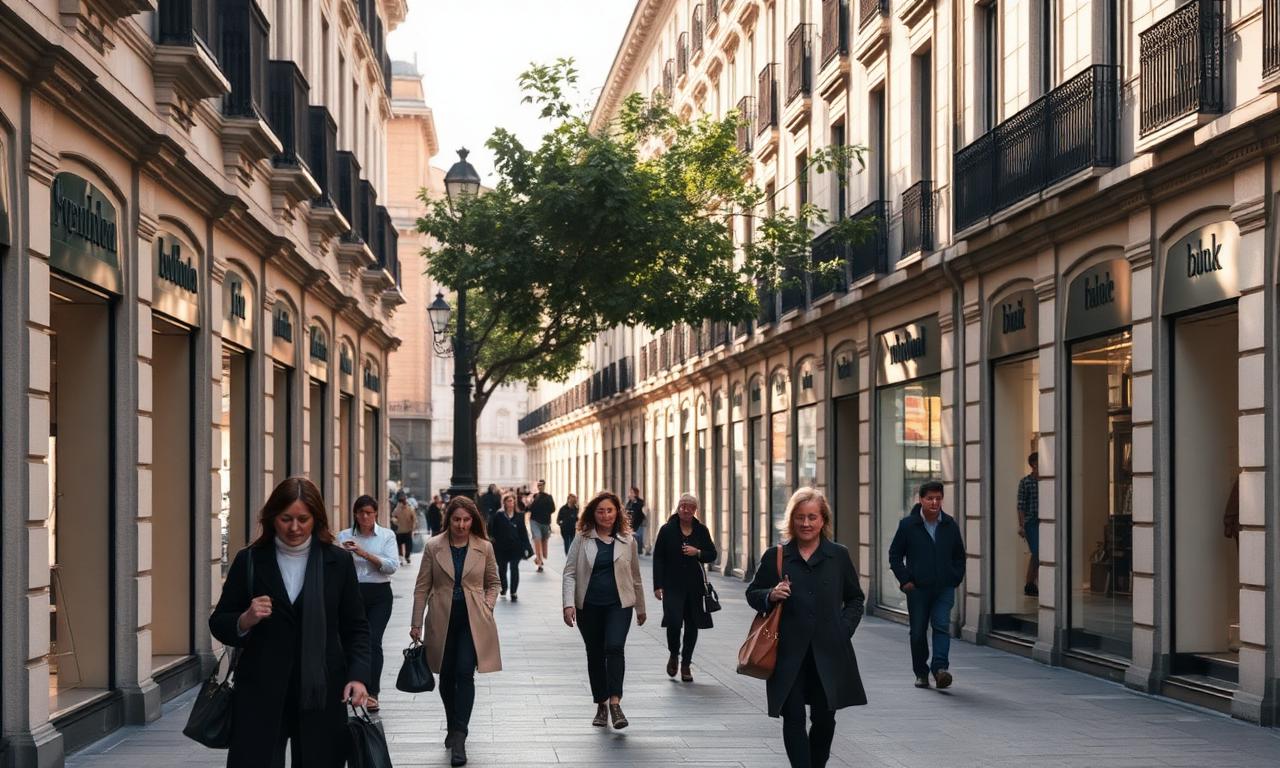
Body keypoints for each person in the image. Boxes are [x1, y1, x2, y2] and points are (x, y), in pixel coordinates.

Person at [209, 476, 371, 767]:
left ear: (316, 519)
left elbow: (355, 627)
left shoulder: (337, 562)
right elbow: (219, 622)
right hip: (261, 688)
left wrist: (358, 676)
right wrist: (245, 619)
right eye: (286, 519)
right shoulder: (250, 560)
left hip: (322, 687)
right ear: (272, 518)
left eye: (302, 519)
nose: (294, 528)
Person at [745, 487, 866, 768]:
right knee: (794, 716)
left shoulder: (838, 555)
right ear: (792, 520)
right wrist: (770, 595)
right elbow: (753, 593)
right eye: (800, 517)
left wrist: (843, 629)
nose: (806, 524)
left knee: (824, 718)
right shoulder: (776, 556)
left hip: (829, 652)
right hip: (788, 654)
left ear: (823, 520)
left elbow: (856, 598)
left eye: (812, 517)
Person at [410, 496, 502, 767]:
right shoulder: (433, 547)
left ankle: (459, 736)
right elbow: (421, 587)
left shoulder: (484, 547)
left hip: (473, 621)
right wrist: (416, 623)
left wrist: (487, 606)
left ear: (473, 520)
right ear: (448, 520)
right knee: (447, 676)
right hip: (441, 619)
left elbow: (493, 582)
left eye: (466, 520)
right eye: (457, 519)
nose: (461, 525)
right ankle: (453, 724)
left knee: (464, 672)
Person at [562, 491, 647, 730]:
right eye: (600, 511)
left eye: (610, 510)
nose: (606, 515)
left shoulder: (628, 540)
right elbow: (569, 572)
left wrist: (640, 607)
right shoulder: (582, 538)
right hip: (588, 606)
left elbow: (636, 577)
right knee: (595, 652)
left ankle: (615, 703)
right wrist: (568, 604)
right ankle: (600, 703)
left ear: (617, 512)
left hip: (619, 605)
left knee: (614, 647)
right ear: (593, 513)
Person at [887, 480, 966, 689]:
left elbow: (959, 555)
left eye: (938, 499)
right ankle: (921, 672)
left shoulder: (949, 524)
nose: (934, 502)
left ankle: (940, 669)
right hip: (918, 589)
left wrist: (955, 577)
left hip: (944, 588)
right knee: (918, 631)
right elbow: (895, 555)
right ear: (921, 500)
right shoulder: (908, 525)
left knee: (941, 626)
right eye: (930, 498)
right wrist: (906, 581)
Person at [337, 494, 399, 712]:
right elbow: (336, 567)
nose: (365, 516)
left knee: (373, 641)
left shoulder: (386, 536)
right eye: (361, 512)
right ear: (355, 514)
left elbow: (392, 566)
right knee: (350, 641)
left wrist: (363, 553)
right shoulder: (344, 536)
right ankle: (351, 687)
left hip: (379, 594)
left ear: (375, 514)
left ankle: (372, 692)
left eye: (369, 513)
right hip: (352, 594)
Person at [652, 493, 718, 682]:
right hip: (672, 585)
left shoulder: (701, 530)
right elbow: (659, 558)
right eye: (682, 506)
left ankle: (686, 664)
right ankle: (674, 654)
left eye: (690, 506)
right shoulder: (667, 530)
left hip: (695, 587)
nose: (686, 509)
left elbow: (712, 554)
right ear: (677, 508)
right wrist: (658, 585)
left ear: (695, 510)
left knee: (692, 625)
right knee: (673, 622)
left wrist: (697, 552)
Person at [488, 493, 533, 600]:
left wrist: (528, 548)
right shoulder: (498, 516)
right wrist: (492, 541)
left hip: (515, 547)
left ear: (514, 502)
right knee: (502, 569)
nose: (510, 503)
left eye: (512, 501)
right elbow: (492, 530)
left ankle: (513, 592)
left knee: (514, 568)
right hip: (501, 548)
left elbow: (523, 533)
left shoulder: (519, 516)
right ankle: (504, 588)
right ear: (504, 503)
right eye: (508, 501)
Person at [1016, 452, 1040, 596]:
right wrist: (1022, 525)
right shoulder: (1025, 482)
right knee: (1037, 552)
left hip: (1045, 522)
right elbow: (1021, 505)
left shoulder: (1046, 481)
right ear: (1034, 464)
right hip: (1031, 522)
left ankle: (1030, 584)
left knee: (1039, 554)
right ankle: (1030, 583)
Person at [528, 479, 555, 572]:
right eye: (538, 485)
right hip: (534, 521)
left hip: (545, 522)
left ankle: (539, 558)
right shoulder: (535, 496)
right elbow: (529, 508)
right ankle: (539, 563)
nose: (540, 487)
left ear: (544, 486)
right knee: (537, 539)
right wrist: (530, 502)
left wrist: (545, 512)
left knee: (543, 542)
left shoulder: (549, 497)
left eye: (541, 485)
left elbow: (553, 509)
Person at [393, 493, 416, 565]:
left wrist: (396, 523)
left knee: (400, 544)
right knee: (408, 544)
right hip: (407, 530)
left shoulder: (397, 509)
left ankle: (401, 558)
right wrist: (413, 527)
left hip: (400, 530)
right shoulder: (410, 508)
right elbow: (414, 519)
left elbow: (393, 517)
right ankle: (407, 557)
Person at [625, 486, 648, 555]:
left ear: (635, 494)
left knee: (639, 536)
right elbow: (627, 510)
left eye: (632, 492)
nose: (630, 494)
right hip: (632, 523)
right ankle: (634, 550)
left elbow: (640, 510)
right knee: (633, 537)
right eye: (630, 492)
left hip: (640, 522)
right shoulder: (629, 503)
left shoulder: (640, 502)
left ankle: (639, 550)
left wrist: (634, 503)